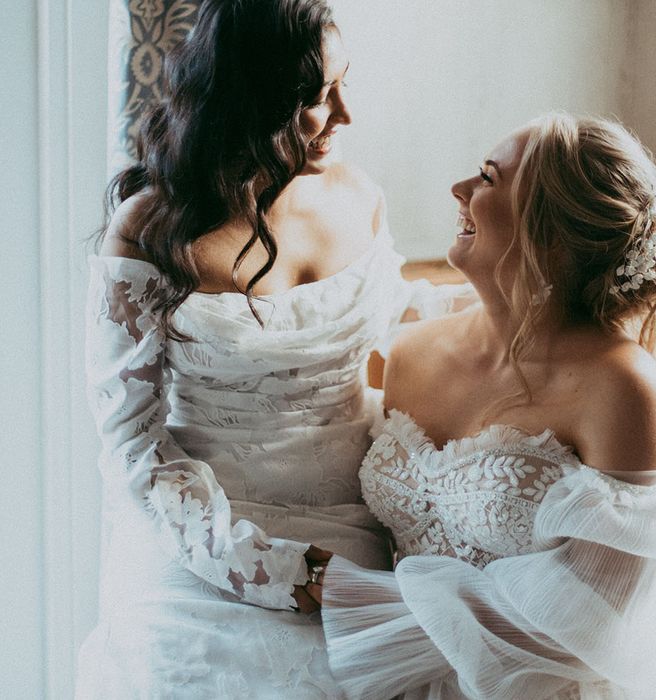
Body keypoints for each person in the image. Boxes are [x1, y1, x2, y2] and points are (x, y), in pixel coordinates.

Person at [76, 1, 473, 697]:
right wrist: (278, 571)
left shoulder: (361, 198)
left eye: (345, 83)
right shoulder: (150, 231)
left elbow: (403, 336)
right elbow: (133, 451)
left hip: (356, 521)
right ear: (245, 100)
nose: (345, 114)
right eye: (318, 98)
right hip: (204, 537)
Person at [315, 113, 656, 699]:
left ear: (552, 230)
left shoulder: (622, 386)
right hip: (399, 673)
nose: (459, 190)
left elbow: (589, 617)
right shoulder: (411, 352)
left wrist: (352, 601)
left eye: (486, 178)